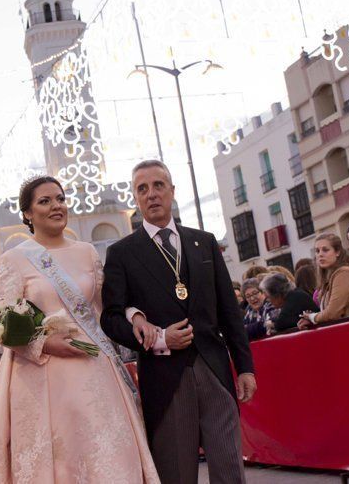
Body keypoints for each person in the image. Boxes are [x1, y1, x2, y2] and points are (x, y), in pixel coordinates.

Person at [0, 175, 160, 483]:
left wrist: (136, 316)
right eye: (44, 201)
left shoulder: (87, 251)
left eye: (59, 198)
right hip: (40, 374)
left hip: (93, 367)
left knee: (107, 453)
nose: (55, 206)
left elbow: (107, 308)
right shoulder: (14, 259)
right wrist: (44, 344)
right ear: (27, 214)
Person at [100, 160, 255, 484]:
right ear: (135, 198)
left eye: (158, 185)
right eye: (142, 189)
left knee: (230, 470)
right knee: (176, 473)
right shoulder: (122, 254)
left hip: (215, 370)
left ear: (172, 191)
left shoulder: (204, 241)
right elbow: (111, 318)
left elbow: (229, 310)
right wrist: (157, 339)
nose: (152, 194)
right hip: (164, 378)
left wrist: (245, 367)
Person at [299, 234, 349, 329]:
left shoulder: (345, 273)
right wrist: (313, 319)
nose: (320, 254)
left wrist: (312, 317)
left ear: (337, 252)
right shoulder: (329, 277)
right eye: (317, 251)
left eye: (325, 250)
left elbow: (332, 313)